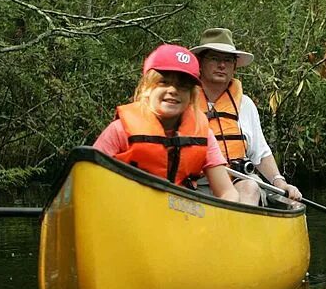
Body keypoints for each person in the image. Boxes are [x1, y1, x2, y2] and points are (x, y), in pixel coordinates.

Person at [93, 44, 240, 202]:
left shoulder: (203, 133)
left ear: (191, 96)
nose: (173, 90)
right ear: (147, 88)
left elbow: (227, 192)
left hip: (178, 216)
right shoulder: (120, 130)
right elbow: (90, 180)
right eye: (163, 82)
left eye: (183, 86)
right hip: (127, 211)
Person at [191, 27, 302, 206]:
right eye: (214, 58)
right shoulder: (184, 99)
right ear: (200, 62)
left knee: (250, 187)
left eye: (227, 60)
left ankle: (237, 230)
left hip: (237, 181)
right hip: (195, 183)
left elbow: (260, 152)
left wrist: (279, 181)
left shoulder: (245, 104)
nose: (221, 65)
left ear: (234, 66)